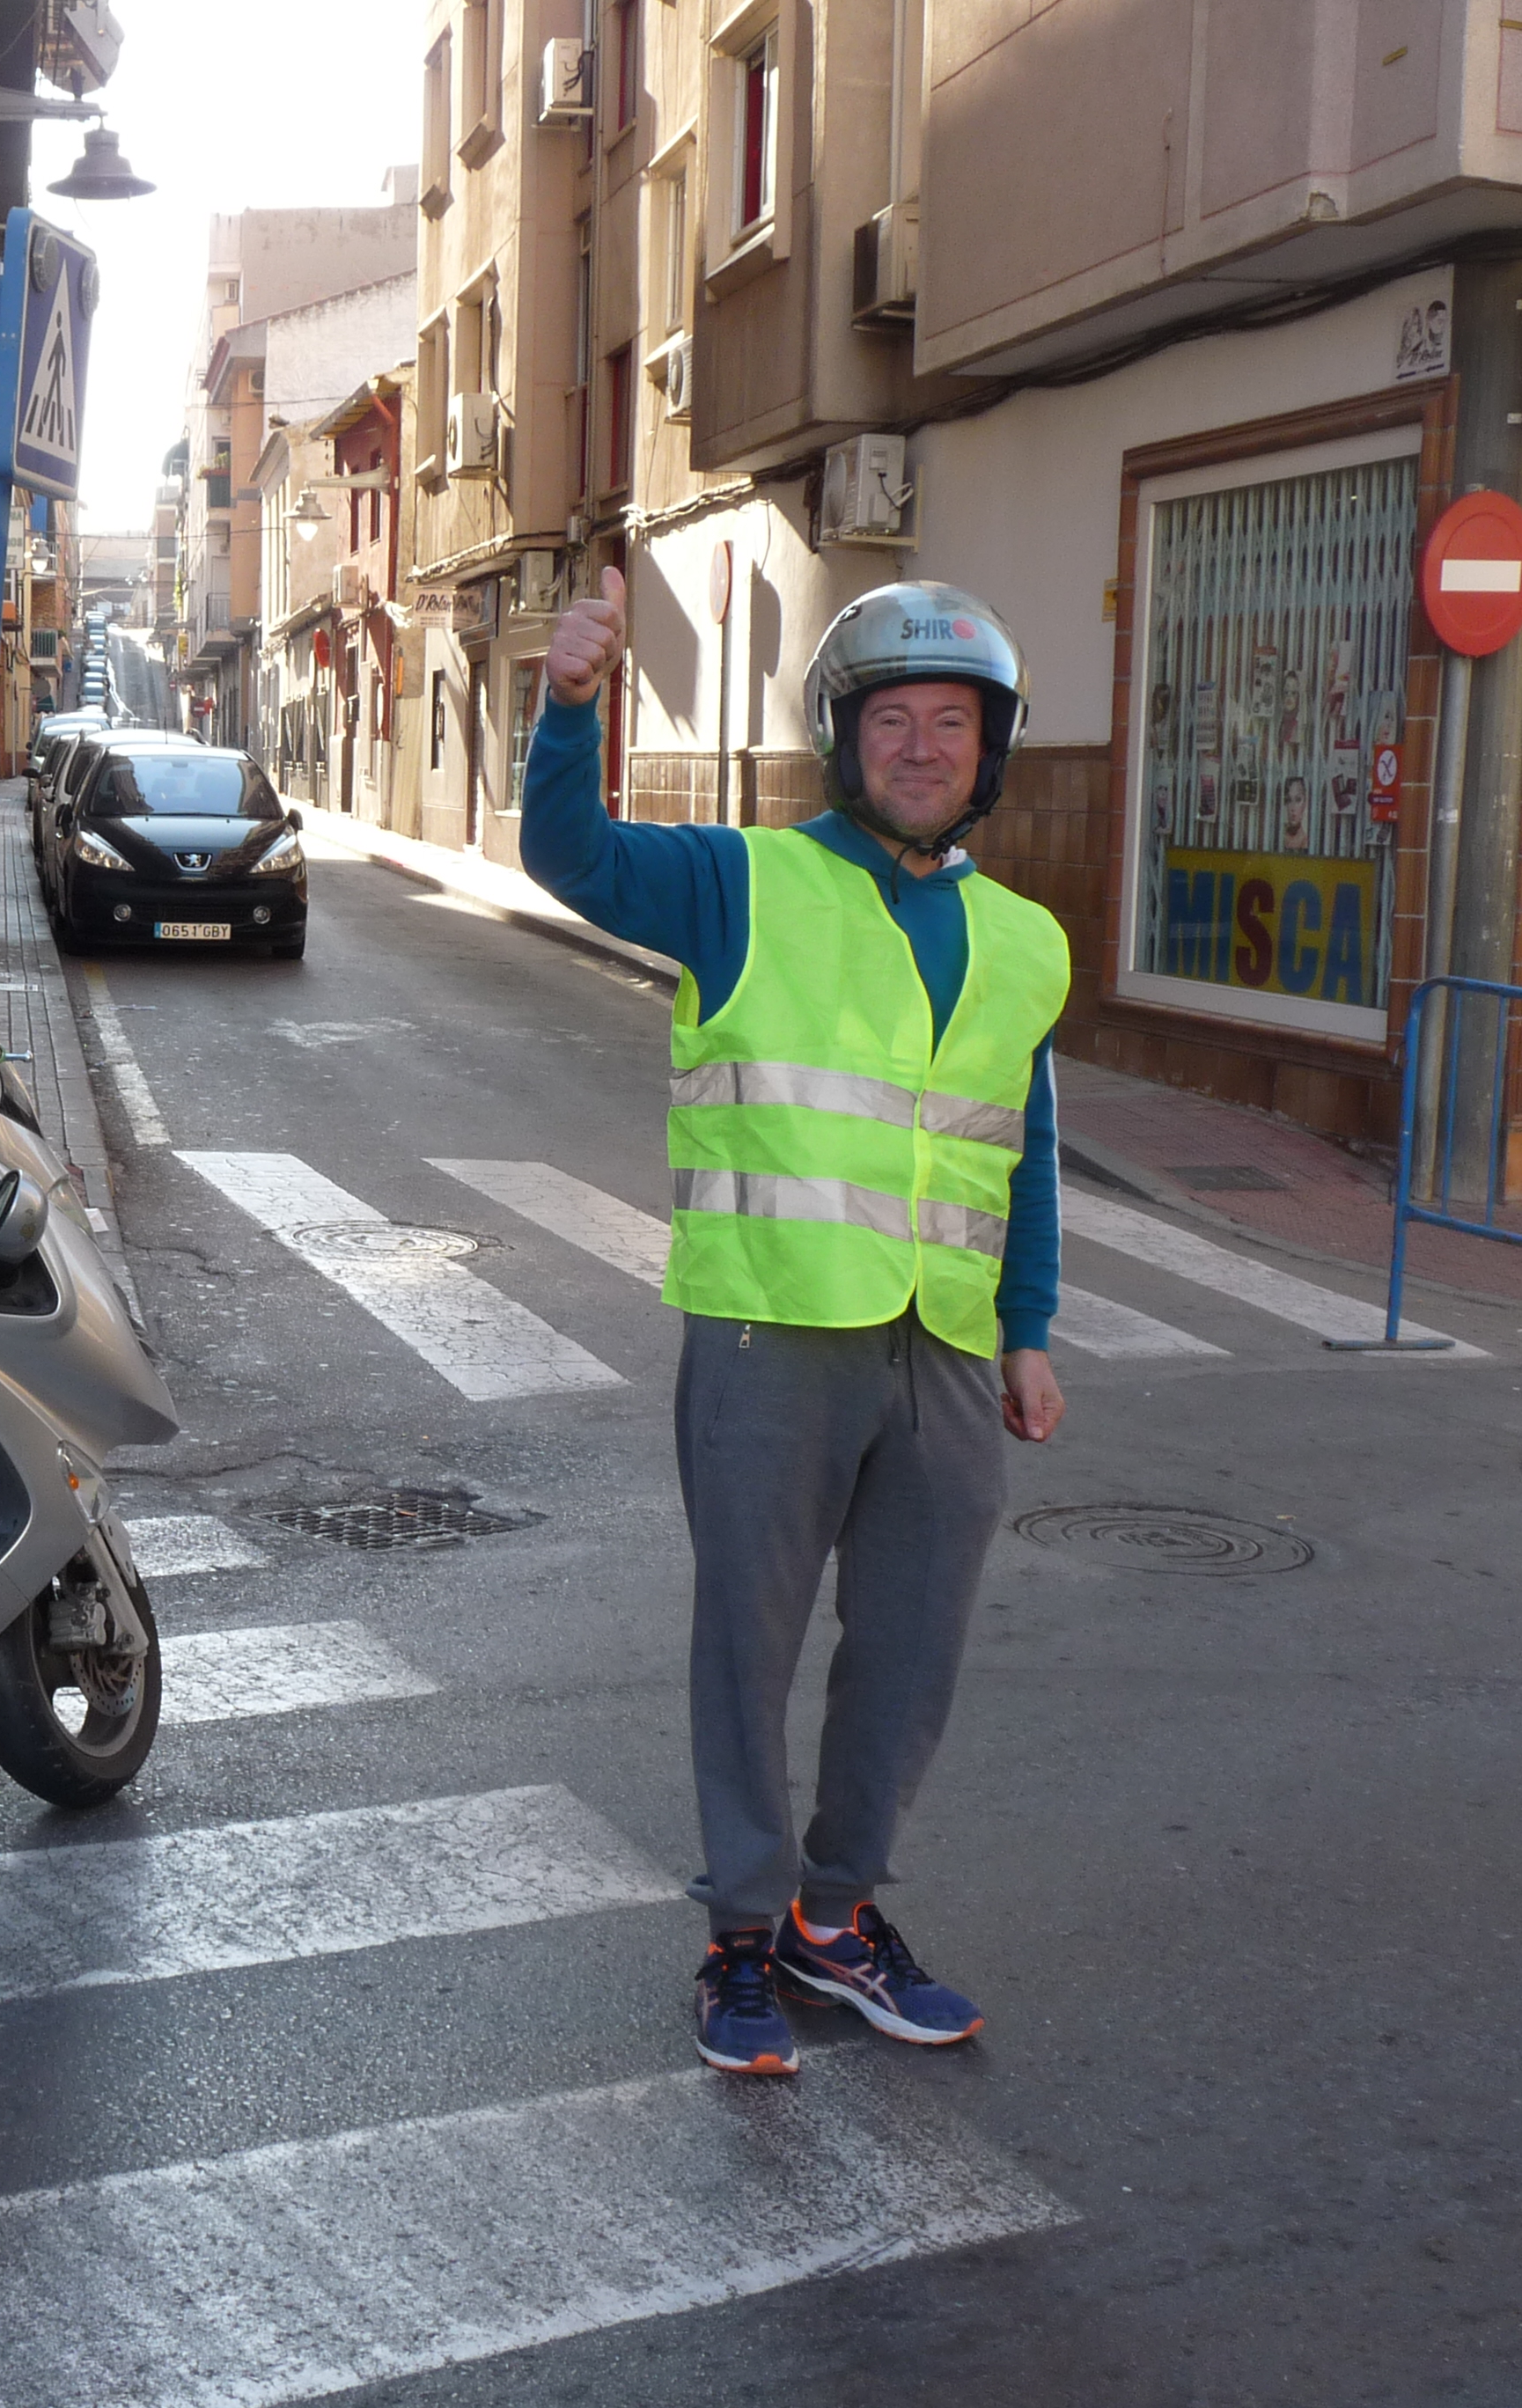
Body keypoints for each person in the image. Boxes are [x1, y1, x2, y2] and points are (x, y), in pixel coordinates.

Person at [522, 569, 1069, 2077]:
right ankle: (742, 1933)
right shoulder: (742, 880)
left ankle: (839, 1917)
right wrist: (568, 707)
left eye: (950, 721)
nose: (921, 746)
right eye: (891, 719)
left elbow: (1020, 1146)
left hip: (944, 1348)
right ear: (844, 739)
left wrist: (1027, 1328)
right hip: (772, 1332)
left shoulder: (1025, 939)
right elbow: (571, 853)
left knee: (910, 1651)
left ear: (990, 748)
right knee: (748, 1651)